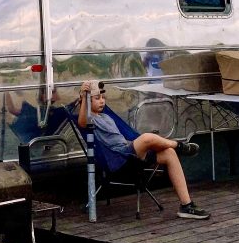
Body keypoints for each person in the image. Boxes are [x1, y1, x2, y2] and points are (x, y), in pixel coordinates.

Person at [78, 80, 209, 220]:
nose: (102, 101)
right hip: (120, 157)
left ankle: (186, 205)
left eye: (103, 98)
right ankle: (180, 146)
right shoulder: (90, 119)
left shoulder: (105, 116)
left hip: (130, 150)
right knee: (147, 138)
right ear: (87, 101)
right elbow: (82, 122)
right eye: (97, 98)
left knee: (169, 153)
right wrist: (84, 97)